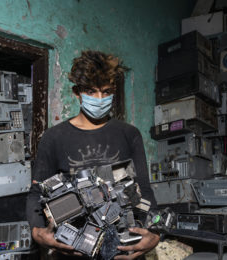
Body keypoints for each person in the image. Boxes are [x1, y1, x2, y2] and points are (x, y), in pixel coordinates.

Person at [26, 50, 160, 259]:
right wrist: (37, 232)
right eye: (91, 91)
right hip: (73, 251)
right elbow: (36, 193)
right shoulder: (54, 137)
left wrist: (154, 232)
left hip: (123, 250)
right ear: (77, 93)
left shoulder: (129, 134)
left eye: (106, 92)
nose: (99, 99)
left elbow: (144, 190)